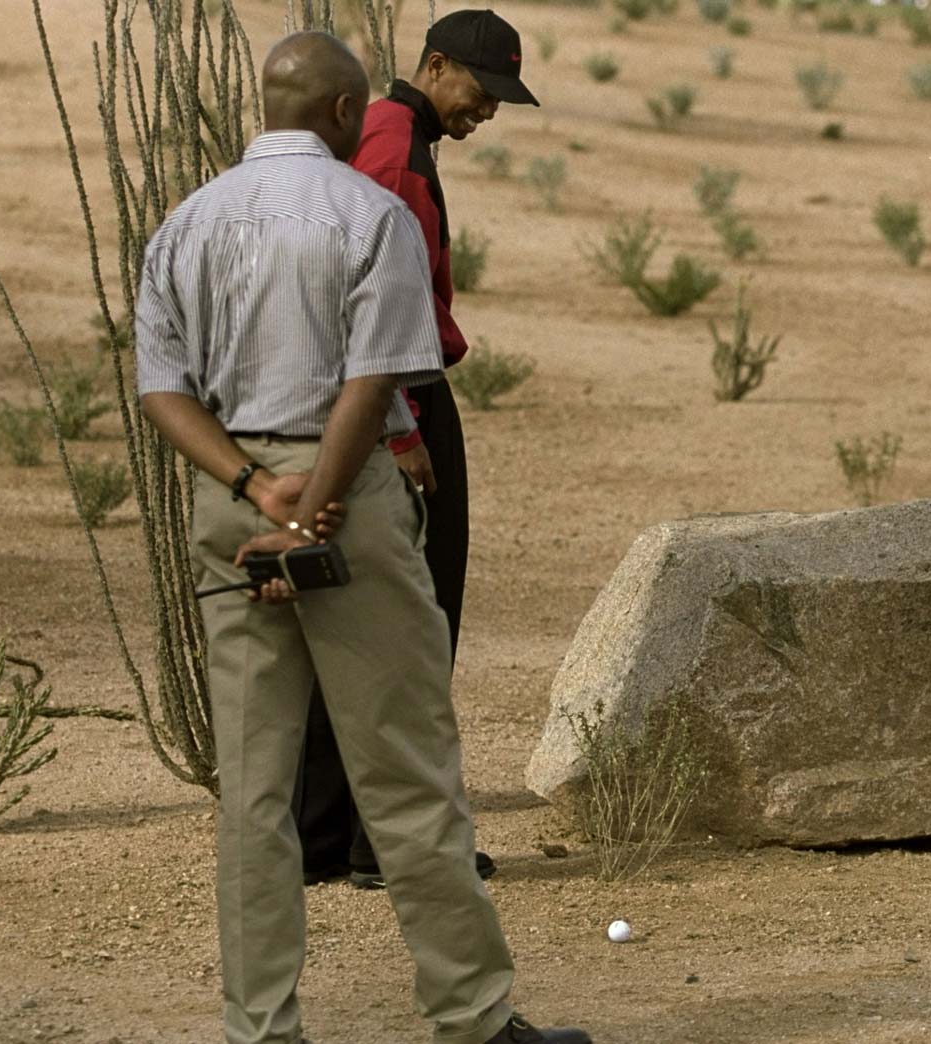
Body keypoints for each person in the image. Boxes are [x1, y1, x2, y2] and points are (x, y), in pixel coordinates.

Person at [134, 31, 586, 1044]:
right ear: (346, 113)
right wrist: (314, 503)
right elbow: (374, 374)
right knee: (405, 766)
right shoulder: (368, 212)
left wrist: (254, 487)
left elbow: (161, 391)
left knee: (254, 787)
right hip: (343, 492)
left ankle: (260, 1026)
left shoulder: (184, 223)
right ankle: (471, 1015)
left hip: (230, 501)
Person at [293, 8, 540, 890]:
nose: (490, 111)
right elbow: (367, 300)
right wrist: (399, 427)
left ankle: (321, 836)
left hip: (370, 398)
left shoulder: (390, 131)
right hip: (398, 397)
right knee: (414, 623)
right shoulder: (395, 151)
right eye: (482, 90)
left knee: (358, 619)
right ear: (435, 65)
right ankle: (390, 843)